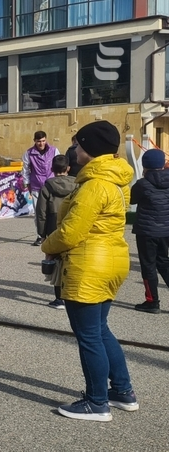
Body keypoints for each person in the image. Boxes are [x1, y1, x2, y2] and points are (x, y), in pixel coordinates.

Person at [41, 120, 138, 422]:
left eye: (78, 145)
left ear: (89, 149)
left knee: (89, 337)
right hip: (111, 260)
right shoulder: (116, 180)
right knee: (100, 329)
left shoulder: (94, 185)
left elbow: (71, 232)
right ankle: (122, 391)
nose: (75, 149)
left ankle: (96, 402)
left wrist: (47, 245)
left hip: (88, 265)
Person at [130, 149, 169, 314]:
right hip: (166, 229)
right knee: (164, 262)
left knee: (148, 266)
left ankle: (152, 301)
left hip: (146, 230)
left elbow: (132, 200)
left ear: (144, 165)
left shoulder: (142, 184)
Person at [36, 155, 77, 310]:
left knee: (56, 262)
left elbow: (41, 212)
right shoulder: (78, 185)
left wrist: (42, 233)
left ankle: (59, 299)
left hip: (53, 226)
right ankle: (72, 295)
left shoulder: (47, 186)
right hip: (73, 224)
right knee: (72, 260)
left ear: (52, 169)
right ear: (68, 168)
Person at [22, 131, 60, 246]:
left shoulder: (54, 151)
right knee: (38, 213)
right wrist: (27, 183)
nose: (41, 143)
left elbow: (59, 165)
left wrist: (59, 180)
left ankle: (54, 234)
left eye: (43, 141)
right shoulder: (29, 153)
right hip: (36, 186)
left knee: (53, 211)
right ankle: (40, 235)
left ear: (46, 140)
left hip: (51, 186)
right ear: (34, 141)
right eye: (39, 141)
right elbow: (25, 169)